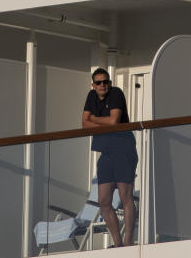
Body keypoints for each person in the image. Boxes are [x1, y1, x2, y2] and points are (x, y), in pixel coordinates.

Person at [82, 68, 137, 247]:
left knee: (125, 196)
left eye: (105, 81)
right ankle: (118, 244)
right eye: (98, 82)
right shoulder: (91, 96)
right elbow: (83, 124)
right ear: (93, 85)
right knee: (104, 201)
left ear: (110, 83)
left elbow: (114, 121)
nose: (102, 85)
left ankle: (128, 244)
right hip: (106, 153)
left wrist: (94, 119)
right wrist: (99, 120)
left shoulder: (116, 94)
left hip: (124, 149)